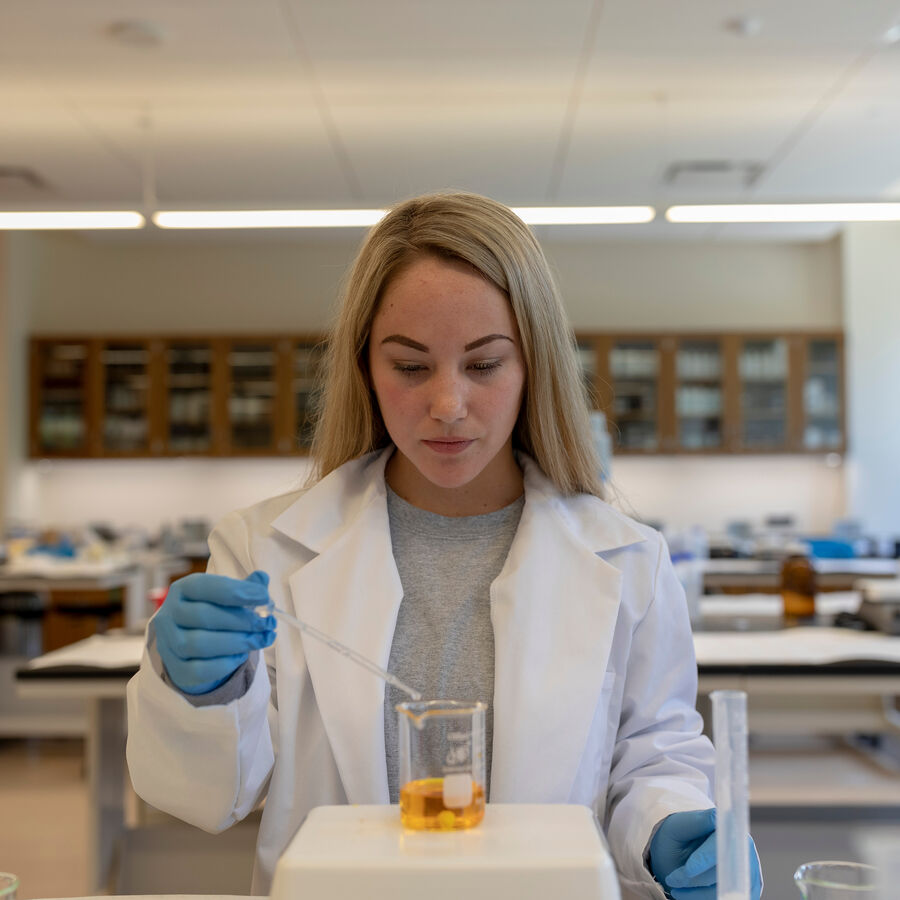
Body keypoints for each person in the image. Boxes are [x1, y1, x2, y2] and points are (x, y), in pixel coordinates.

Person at [126, 191, 762, 900]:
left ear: (533, 367)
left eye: (484, 365)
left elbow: (652, 759)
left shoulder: (628, 560)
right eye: (410, 366)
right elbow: (210, 799)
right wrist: (199, 691)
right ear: (366, 367)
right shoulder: (265, 550)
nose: (448, 404)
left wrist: (669, 824)